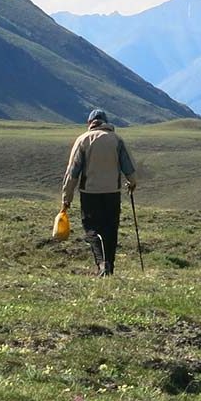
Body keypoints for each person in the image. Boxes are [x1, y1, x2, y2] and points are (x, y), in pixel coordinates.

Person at [61, 109, 137, 276]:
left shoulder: (83, 140)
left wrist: (67, 197)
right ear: (106, 122)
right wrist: (132, 183)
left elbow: (72, 172)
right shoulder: (117, 140)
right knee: (111, 229)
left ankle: (101, 263)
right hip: (112, 192)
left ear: (90, 123)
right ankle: (109, 266)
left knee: (92, 229)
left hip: (90, 192)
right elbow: (128, 166)